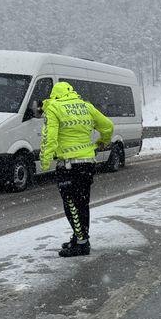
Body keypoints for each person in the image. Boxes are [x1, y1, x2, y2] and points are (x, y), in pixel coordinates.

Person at [40, 81, 113, 257]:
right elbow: (108, 126)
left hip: (68, 164)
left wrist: (45, 161)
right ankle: (79, 236)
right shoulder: (85, 106)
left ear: (55, 94)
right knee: (82, 203)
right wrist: (103, 141)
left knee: (70, 203)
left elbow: (50, 137)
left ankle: (81, 243)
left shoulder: (54, 107)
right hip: (87, 162)